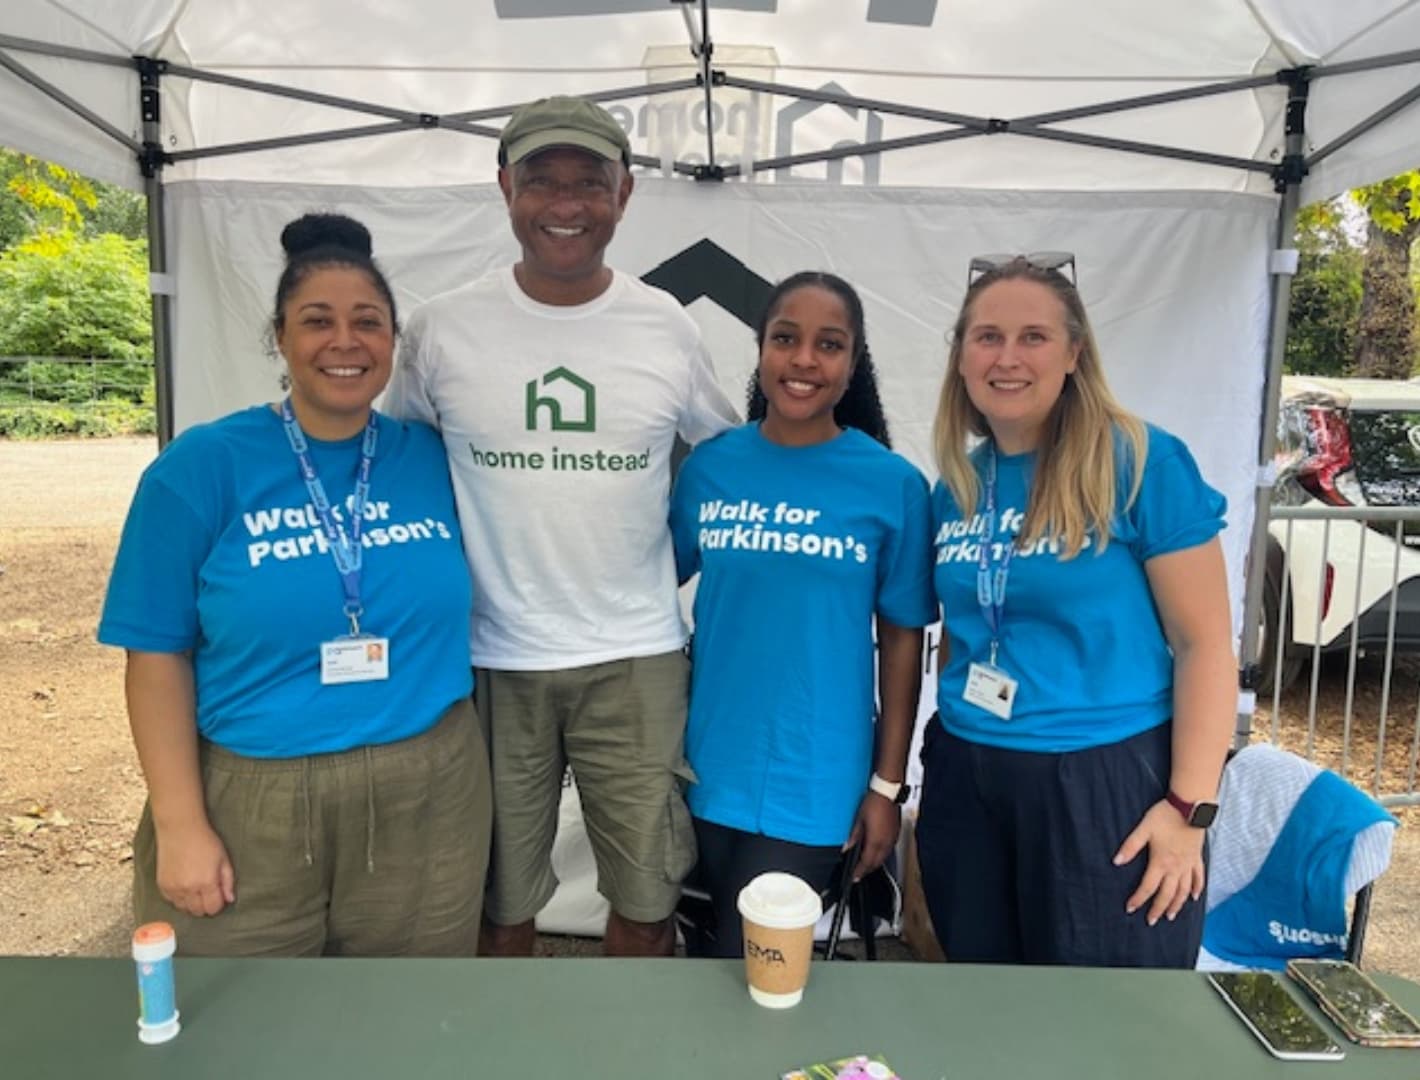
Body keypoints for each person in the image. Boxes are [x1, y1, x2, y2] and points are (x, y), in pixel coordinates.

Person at [384, 95, 738, 957]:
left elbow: (724, 459)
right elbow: (397, 467)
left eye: (590, 182)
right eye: (542, 180)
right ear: (505, 187)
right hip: (492, 657)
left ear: (625, 196)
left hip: (637, 656)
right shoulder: (440, 330)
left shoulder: (666, 325)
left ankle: (625, 1050)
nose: (566, 204)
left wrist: (675, 555)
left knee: (647, 892)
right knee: (496, 895)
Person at [98, 213, 491, 957]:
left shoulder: (434, 458)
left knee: (402, 1026)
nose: (345, 341)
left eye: (367, 322)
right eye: (317, 321)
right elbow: (153, 656)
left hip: (429, 792)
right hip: (254, 799)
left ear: (393, 341)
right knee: (244, 1033)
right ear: (279, 337)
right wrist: (181, 825)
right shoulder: (201, 468)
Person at [915, 253, 1234, 968]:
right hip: (970, 775)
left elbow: (1206, 646)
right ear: (962, 357)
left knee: (1107, 1019)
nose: (1008, 357)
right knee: (988, 1004)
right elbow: (962, 631)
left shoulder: (1141, 461)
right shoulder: (959, 484)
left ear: (1074, 353)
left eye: (1034, 336)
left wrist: (1189, 812)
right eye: (987, 336)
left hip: (1102, 782)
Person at [669, 272, 936, 957]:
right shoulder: (710, 468)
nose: (805, 360)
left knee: (756, 966)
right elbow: (643, 593)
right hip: (703, 768)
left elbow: (902, 640)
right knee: (702, 957)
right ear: (761, 350)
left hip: (817, 779)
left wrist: (886, 785)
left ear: (854, 364)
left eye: (830, 344)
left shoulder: (892, 484)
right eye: (786, 339)